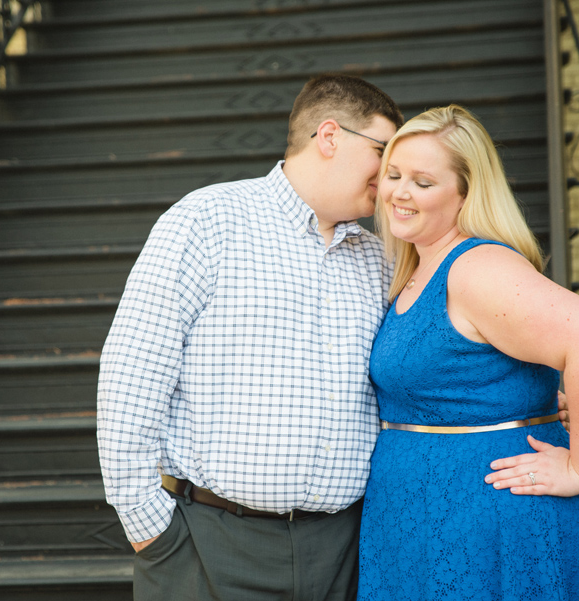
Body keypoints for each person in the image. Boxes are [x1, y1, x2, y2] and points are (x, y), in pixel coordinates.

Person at [97, 74, 403, 601]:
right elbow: (131, 380)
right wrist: (151, 530)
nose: (393, 175)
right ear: (330, 137)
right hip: (209, 546)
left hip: (343, 552)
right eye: (383, 151)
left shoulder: (378, 257)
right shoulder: (207, 221)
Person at [357, 105, 579, 601]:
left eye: (423, 181)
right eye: (394, 174)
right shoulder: (414, 268)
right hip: (422, 517)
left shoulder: (476, 267)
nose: (399, 191)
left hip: (490, 516)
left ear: (465, 193)